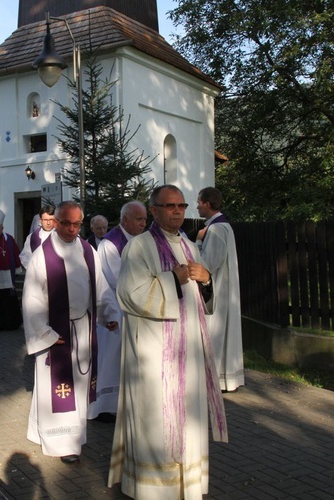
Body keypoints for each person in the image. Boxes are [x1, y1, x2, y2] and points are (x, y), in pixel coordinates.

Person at [108, 185, 228, 499]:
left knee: (188, 418)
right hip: (153, 355)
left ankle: (185, 485)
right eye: (169, 205)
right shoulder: (139, 247)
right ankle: (153, 490)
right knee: (156, 422)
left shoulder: (190, 245)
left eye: (181, 205)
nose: (176, 211)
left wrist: (207, 280)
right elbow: (129, 295)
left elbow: (200, 296)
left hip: (187, 353)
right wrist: (172, 278)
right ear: (154, 210)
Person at [22, 201, 119, 463]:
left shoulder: (88, 250)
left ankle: (73, 438)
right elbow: (32, 298)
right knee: (57, 388)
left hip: (83, 328)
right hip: (56, 332)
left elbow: (100, 286)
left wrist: (109, 314)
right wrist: (44, 332)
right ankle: (62, 443)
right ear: (56, 221)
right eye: (66, 223)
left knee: (77, 386)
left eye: (77, 224)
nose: (71, 229)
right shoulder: (43, 255)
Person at [87, 201, 147, 422]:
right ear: (125, 220)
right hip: (114, 311)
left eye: (144, 219)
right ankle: (105, 407)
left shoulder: (140, 239)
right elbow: (118, 279)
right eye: (139, 219)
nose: (144, 223)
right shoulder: (111, 244)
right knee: (111, 359)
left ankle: (126, 403)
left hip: (135, 308)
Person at [196, 187, 245, 391]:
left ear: (207, 203)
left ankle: (214, 378)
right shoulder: (222, 226)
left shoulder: (215, 229)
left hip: (217, 290)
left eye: (199, 202)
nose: (197, 206)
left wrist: (197, 242)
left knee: (214, 331)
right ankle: (225, 378)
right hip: (224, 288)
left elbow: (207, 263)